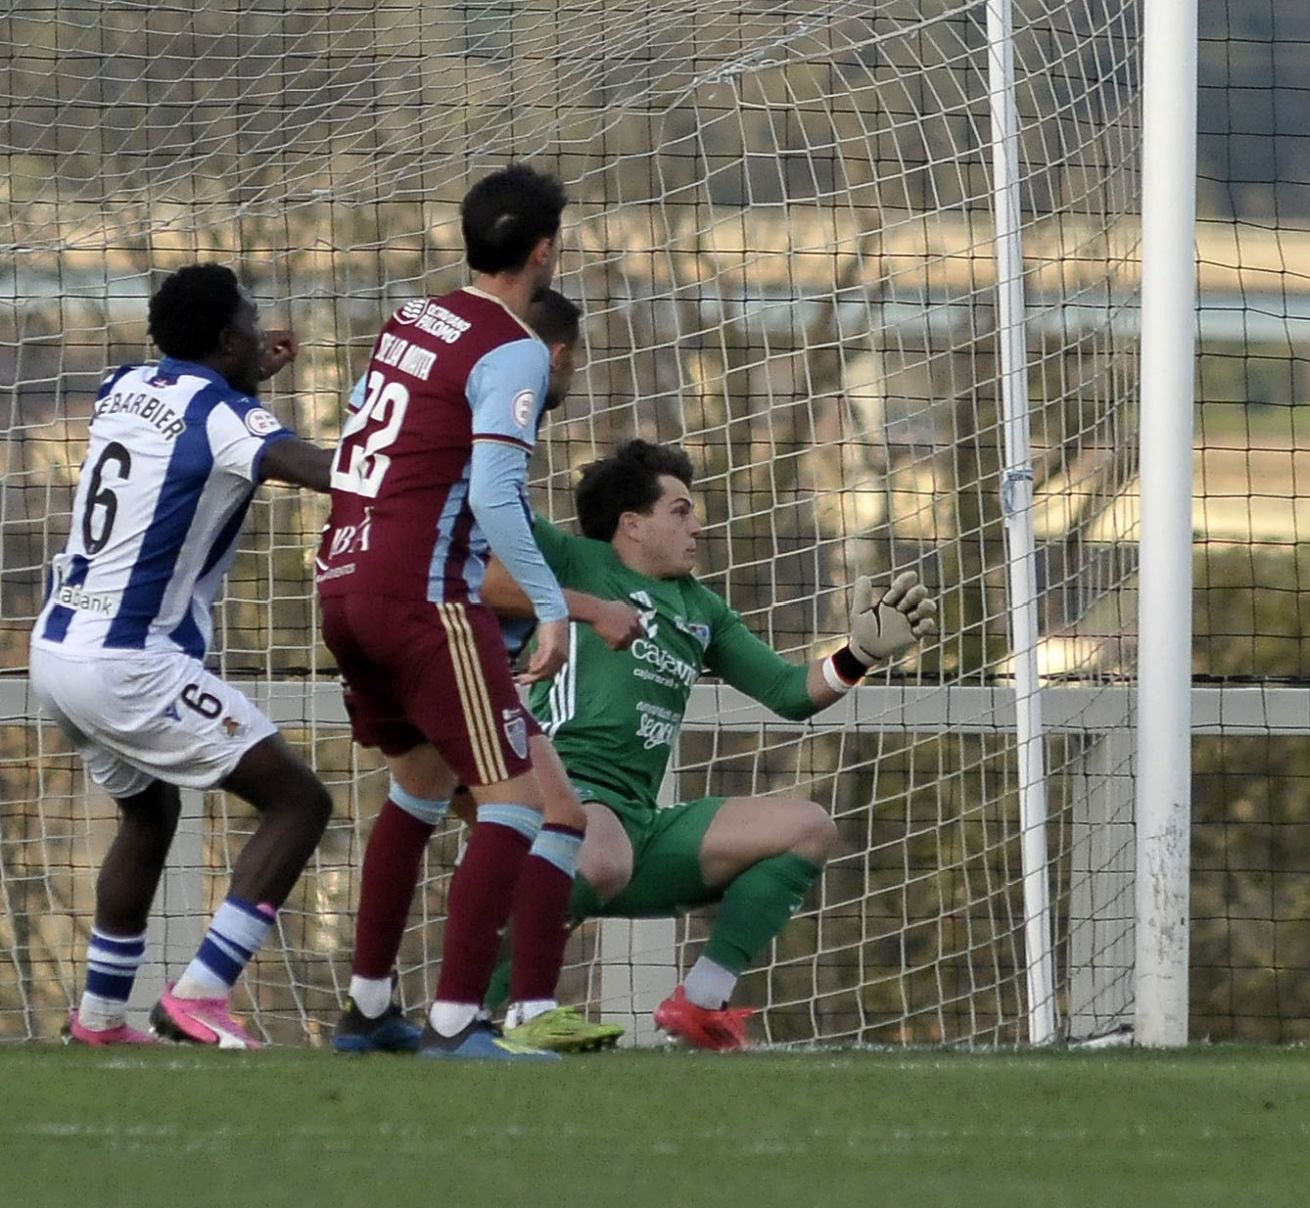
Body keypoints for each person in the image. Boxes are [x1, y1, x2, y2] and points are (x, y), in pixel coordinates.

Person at [476, 438, 937, 1050]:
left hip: (638, 826)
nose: (698, 525)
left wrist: (859, 655)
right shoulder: (573, 560)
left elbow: (788, 692)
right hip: (562, 798)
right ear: (631, 526)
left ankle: (698, 1006)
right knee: (601, 850)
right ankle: (478, 1017)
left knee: (808, 826)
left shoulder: (703, 609)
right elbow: (485, 523)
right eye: (681, 510)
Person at [317, 165, 631, 1060]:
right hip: (423, 596)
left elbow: (355, 446)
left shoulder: (411, 319)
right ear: (544, 249)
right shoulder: (518, 344)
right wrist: (551, 605)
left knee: (416, 789)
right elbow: (495, 495)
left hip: (343, 581)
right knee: (522, 804)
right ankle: (458, 1022)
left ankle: (370, 1006)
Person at [30, 263, 337, 1049]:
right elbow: (314, 470)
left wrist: (241, 373)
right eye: (250, 321)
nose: (263, 329)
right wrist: (409, 461)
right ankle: (201, 992)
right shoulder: (227, 415)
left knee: (150, 808)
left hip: (59, 649)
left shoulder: (120, 387)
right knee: (299, 802)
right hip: (128, 662)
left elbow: (199, 418)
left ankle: (99, 1018)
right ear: (231, 339)